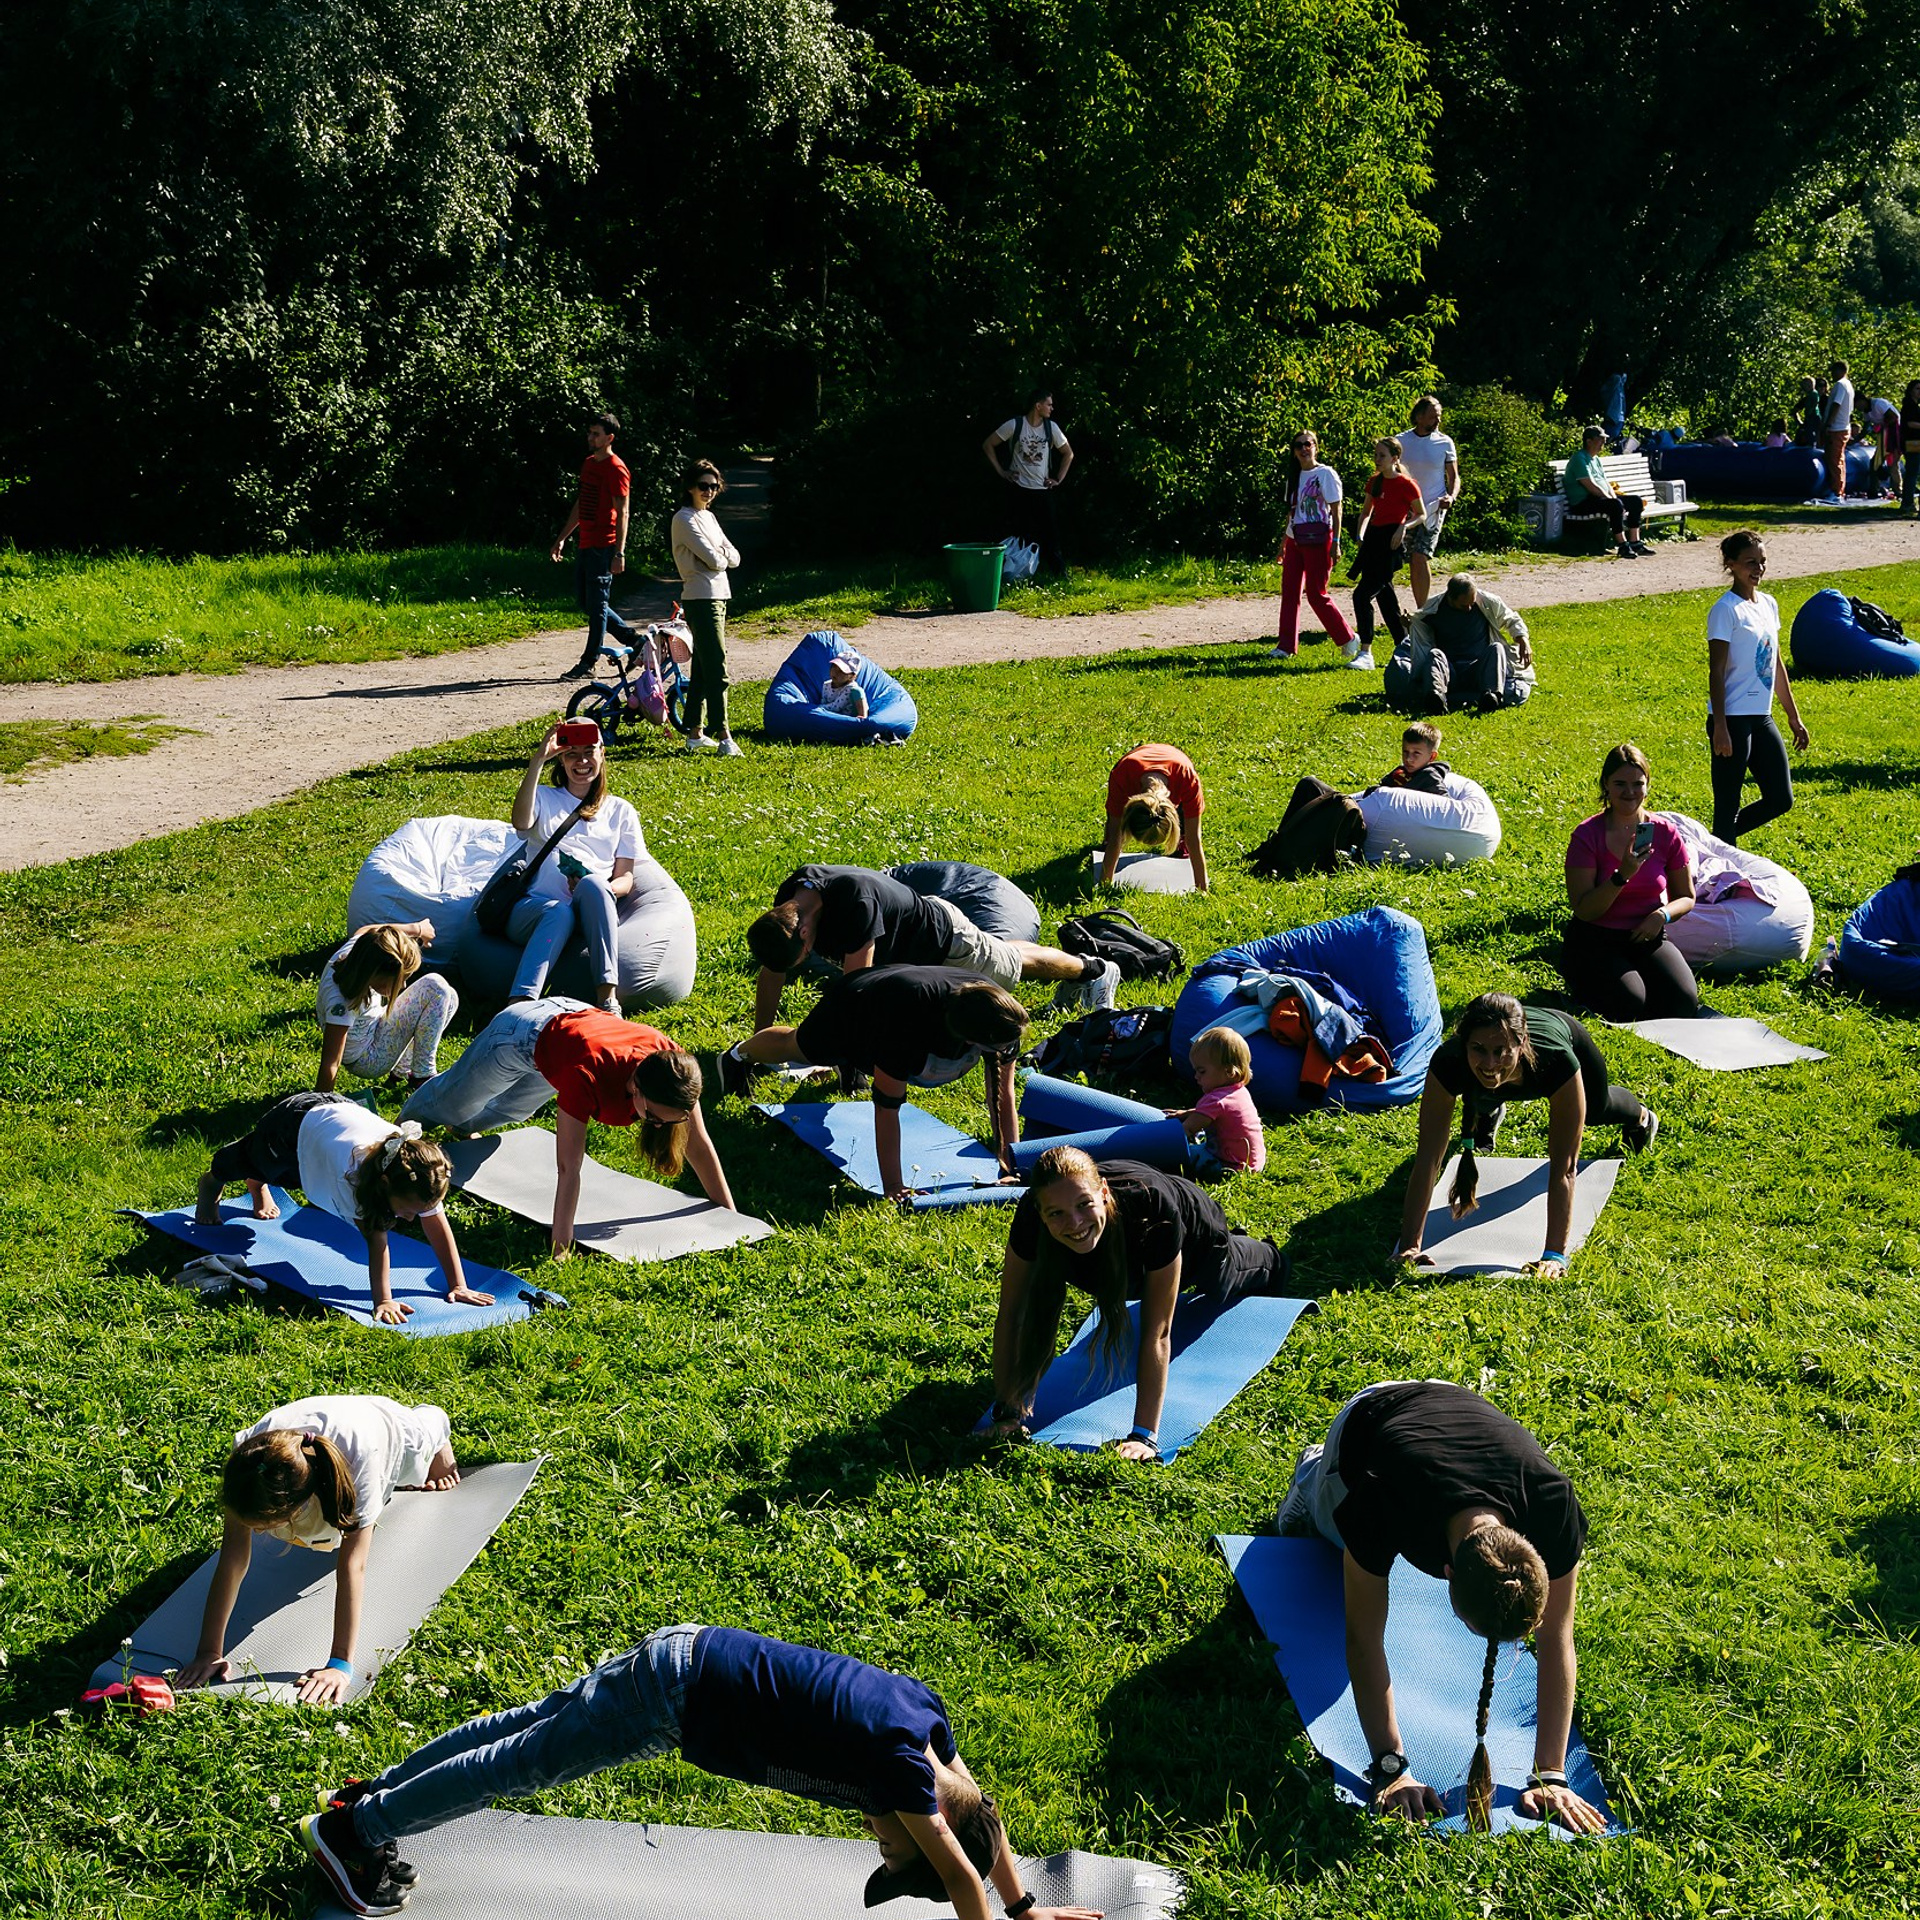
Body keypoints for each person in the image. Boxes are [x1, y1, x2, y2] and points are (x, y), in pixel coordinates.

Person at [298, 1624, 1109, 1920]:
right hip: (672, 1698)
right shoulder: (902, 1773)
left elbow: (984, 1822)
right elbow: (961, 1866)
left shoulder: (927, 1734)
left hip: (685, 1654)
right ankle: (354, 1830)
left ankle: (373, 1795)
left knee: (524, 1729)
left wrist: (1024, 1906)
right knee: (517, 1763)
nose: (881, 1840)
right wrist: (992, 1913)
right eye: (898, 1851)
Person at [1273, 1380, 1603, 1834]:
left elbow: (1556, 1635)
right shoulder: (1385, 1499)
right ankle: (1311, 1473)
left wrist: (1551, 1773)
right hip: (1369, 1419)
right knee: (1330, 1534)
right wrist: (1390, 1769)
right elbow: (1363, 1637)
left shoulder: (1552, 1505)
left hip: (1452, 1402)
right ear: (1446, 1574)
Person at [988, 1148, 1290, 1461]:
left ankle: (1269, 1257)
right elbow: (1011, 1314)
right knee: (1100, 1255)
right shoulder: (1030, 1218)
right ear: (1040, 1212)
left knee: (1224, 1280)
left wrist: (1143, 1436)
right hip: (1122, 1245)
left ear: (1103, 1192)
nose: (1074, 1221)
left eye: (1083, 1204)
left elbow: (1158, 1332)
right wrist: (1006, 1413)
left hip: (1196, 1238)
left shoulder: (1153, 1209)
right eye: (1057, 1213)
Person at [179, 1396, 459, 1711]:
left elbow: (353, 1567)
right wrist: (208, 1651)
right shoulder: (247, 1465)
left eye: (265, 1525)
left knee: (417, 1468)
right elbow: (232, 1560)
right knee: (316, 1531)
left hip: (391, 1426)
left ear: (297, 1502)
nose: (256, 1534)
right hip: (329, 1425)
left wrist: (339, 1663)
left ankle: (437, 1428)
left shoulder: (363, 1465)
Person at [401, 1001, 734, 1256]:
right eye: (654, 1118)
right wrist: (561, 1244)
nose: (660, 1125)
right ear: (635, 1087)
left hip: (570, 1027)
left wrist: (731, 1217)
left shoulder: (676, 1073)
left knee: (508, 1110)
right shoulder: (589, 1075)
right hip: (520, 1033)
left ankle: (462, 1129)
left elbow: (699, 1145)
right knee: (451, 1102)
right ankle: (393, 1131)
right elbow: (568, 1166)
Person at [1394, 993, 1658, 1279]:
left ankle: (1641, 1116)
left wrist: (1554, 1255)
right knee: (1484, 1080)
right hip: (1494, 1073)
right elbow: (1429, 1157)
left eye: (1500, 1050)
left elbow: (1564, 1167)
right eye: (1478, 1048)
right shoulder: (1449, 1062)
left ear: (1521, 1044)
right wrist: (1409, 1246)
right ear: (1464, 1043)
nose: (1490, 1061)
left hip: (1566, 1037)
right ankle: (1489, 1105)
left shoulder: (1556, 1061)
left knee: (1597, 1110)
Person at [713, 967, 1029, 1204]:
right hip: (856, 1001)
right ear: (972, 1039)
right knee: (800, 1048)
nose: (1008, 1048)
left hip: (898, 1000)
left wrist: (1009, 1164)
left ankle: (849, 1064)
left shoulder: (1002, 1015)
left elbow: (1002, 1097)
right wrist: (894, 1185)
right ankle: (738, 1055)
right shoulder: (907, 1026)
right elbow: (887, 1108)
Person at [196, 1099, 494, 1323]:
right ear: (385, 1185)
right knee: (252, 1159)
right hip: (292, 1123)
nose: (412, 1219)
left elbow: (437, 1225)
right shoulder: (357, 1181)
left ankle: (258, 1181)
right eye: (408, 1210)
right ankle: (214, 1183)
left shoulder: (423, 1175)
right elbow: (378, 1244)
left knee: (293, 1173)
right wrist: (384, 1300)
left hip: (331, 1124)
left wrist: (458, 1284)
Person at [747, 865, 1118, 1032]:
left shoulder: (852, 902)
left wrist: (847, 1063)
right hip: (903, 949)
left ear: (806, 929)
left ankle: (1093, 971)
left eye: (805, 951)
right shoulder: (791, 901)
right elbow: (773, 970)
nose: (808, 956)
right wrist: (757, 1044)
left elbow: (857, 995)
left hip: (946, 941)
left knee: (1011, 964)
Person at [504, 721, 644, 1009]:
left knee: (593, 883)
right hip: (535, 908)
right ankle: (519, 1004)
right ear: (562, 760)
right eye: (571, 754)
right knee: (558, 913)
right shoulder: (545, 797)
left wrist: (601, 887)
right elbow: (520, 822)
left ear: (602, 754)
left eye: (589, 752)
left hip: (590, 906)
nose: (581, 762)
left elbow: (626, 878)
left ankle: (608, 1000)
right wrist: (538, 760)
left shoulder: (621, 811)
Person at [1560, 742, 1699, 1020]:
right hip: (1596, 938)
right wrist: (1622, 875)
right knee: (1629, 1004)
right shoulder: (1588, 835)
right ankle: (1581, 978)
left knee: (1683, 1003)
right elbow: (1584, 909)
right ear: (1606, 786)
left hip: (1646, 935)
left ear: (1648, 785)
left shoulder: (1665, 833)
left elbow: (1686, 896)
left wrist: (1662, 915)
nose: (1630, 792)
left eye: (1638, 784)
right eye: (1620, 784)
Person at [1708, 530, 1810, 844]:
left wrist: (1792, 716)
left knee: (1781, 798)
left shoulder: (1768, 604)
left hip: (1761, 716)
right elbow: (1716, 671)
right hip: (1733, 720)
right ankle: (1722, 857)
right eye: (1750, 562)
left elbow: (1775, 664)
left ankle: (1713, 841)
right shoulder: (1725, 610)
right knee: (1727, 805)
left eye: (1762, 561)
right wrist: (1721, 727)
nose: (1759, 569)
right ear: (1731, 564)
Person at [315, 922, 458, 1094]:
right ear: (377, 973)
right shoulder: (343, 1001)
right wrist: (321, 1104)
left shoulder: (360, 951)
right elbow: (331, 1061)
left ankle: (403, 1071)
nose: (404, 985)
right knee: (436, 987)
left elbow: (367, 930)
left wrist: (417, 929)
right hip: (368, 1059)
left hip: (375, 1030)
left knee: (450, 997)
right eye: (399, 979)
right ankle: (422, 1076)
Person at [553, 413, 640, 682]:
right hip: (586, 542)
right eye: (590, 433)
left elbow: (623, 512)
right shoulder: (589, 464)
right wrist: (563, 537)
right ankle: (635, 641)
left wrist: (619, 552)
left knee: (598, 605)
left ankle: (589, 661)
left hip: (605, 545)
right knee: (586, 602)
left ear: (609, 438)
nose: (590, 438)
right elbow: (582, 503)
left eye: (596, 434)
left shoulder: (617, 469)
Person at [672, 460, 743, 755]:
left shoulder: (709, 518)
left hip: (719, 595)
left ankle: (694, 732)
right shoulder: (684, 518)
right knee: (717, 665)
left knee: (702, 666)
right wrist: (719, 556)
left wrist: (720, 555)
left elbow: (733, 557)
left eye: (714, 486)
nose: (709, 491)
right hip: (700, 597)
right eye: (703, 486)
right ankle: (724, 733)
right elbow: (716, 561)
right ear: (690, 487)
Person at [1271, 428, 1357, 659]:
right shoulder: (1294, 476)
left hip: (1320, 539)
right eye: (1298, 445)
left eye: (1308, 444)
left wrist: (1336, 542)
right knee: (1289, 592)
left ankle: (1347, 637)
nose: (1303, 449)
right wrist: (1283, 544)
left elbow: (1337, 510)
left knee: (1316, 594)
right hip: (1296, 538)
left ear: (1316, 446)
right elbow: (1293, 513)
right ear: (1294, 451)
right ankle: (1286, 646)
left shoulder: (1326, 474)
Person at [1396, 574, 1534, 713]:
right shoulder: (1434, 608)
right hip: (1449, 671)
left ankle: (1492, 696)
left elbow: (1512, 620)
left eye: (1471, 604)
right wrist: (1410, 624)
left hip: (1478, 669)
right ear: (1450, 597)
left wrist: (1523, 641)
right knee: (1435, 654)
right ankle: (1436, 698)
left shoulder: (1486, 602)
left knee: (1496, 648)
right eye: (1463, 605)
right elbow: (1420, 629)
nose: (1469, 608)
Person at [1345, 438, 1424, 671]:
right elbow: (1366, 513)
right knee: (1386, 597)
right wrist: (1360, 534)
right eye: (1376, 455)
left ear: (1395, 458)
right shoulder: (1374, 482)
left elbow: (1421, 515)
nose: (1377, 459)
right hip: (1373, 540)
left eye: (1382, 455)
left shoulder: (1407, 484)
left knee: (1362, 595)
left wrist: (1403, 527)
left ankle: (1366, 652)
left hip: (1392, 543)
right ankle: (1405, 645)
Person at [983, 388, 1073, 576]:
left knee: (1051, 534)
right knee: (1017, 533)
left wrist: (1058, 479)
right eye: (1048, 404)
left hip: (1042, 489)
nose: (1052, 408)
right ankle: (1014, 572)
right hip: (1018, 488)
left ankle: (1059, 574)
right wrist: (1002, 471)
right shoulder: (1015, 425)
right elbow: (988, 444)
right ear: (1037, 406)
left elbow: (1068, 453)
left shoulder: (1051, 428)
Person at [1101, 742, 1207, 891]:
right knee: (1112, 832)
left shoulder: (1188, 780)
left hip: (1176, 766)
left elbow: (1194, 840)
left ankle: (1179, 840)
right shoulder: (1122, 776)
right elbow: (1115, 837)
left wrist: (1202, 891)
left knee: (1187, 833)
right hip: (1132, 763)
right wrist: (1104, 887)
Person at [1164, 1028, 1265, 1173]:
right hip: (1254, 1162)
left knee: (1176, 1157)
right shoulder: (1238, 1092)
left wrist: (1160, 1141)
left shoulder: (1215, 1100)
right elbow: (1212, 1114)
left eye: (1202, 1071)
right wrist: (1186, 1113)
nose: (1196, 1076)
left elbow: (1187, 1129)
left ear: (1229, 1072)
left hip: (1229, 1165)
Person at [1399, 395, 1460, 608]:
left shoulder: (1445, 442)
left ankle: (1423, 610)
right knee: (1398, 560)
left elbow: (1454, 477)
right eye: (1433, 416)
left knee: (1419, 556)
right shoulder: (1401, 441)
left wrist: (1450, 497)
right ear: (1419, 416)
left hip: (1434, 508)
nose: (1438, 421)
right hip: (1406, 509)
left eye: (1439, 416)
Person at [1561, 427, 1649, 558]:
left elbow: (1605, 482)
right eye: (1600, 439)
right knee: (1615, 506)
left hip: (1598, 498)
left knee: (1635, 501)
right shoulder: (1579, 459)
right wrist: (1612, 500)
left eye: (1604, 439)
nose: (1604, 441)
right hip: (1582, 503)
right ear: (1589, 441)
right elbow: (1590, 486)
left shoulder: (1595, 459)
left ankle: (1634, 542)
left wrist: (1613, 497)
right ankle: (1622, 545)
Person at [1371, 720, 1449, 794]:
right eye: (1405, 752)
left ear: (1432, 756)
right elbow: (1381, 788)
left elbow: (1444, 803)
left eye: (1416, 753)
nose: (1408, 759)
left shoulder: (1429, 777)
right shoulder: (1400, 771)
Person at [1821, 359, 1855, 502]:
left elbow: (1836, 404)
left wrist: (1828, 424)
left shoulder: (1840, 385)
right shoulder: (1848, 385)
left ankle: (1837, 491)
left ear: (1840, 370)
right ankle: (1837, 488)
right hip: (1843, 426)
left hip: (1837, 427)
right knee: (1837, 459)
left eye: (1833, 371)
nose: (1832, 374)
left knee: (1835, 460)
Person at [1902, 379, 1920, 516]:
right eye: (1917, 389)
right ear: (1911, 391)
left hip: (1915, 442)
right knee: (1912, 474)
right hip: (1912, 443)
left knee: (1912, 473)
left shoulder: (1915, 405)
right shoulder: (1909, 405)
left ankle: (1908, 502)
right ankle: (1907, 503)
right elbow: (1910, 423)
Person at [1795, 375, 1826, 448]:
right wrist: (1800, 423)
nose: (1822, 388)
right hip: (1810, 419)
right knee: (1809, 431)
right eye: (1820, 385)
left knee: (1816, 432)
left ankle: (1816, 445)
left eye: (1824, 385)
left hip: (1821, 422)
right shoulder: (1807, 397)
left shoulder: (1827, 399)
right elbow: (1795, 410)